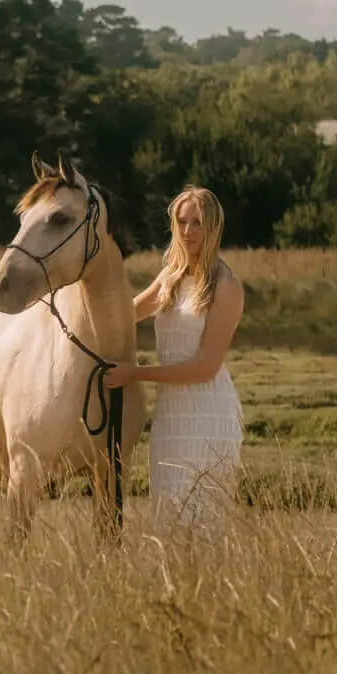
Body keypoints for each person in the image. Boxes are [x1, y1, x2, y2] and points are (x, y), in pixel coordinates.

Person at [105, 186, 245, 538]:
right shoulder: (172, 275)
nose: (188, 231)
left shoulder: (225, 285)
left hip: (207, 412)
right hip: (170, 415)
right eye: (182, 222)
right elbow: (128, 313)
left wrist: (134, 374)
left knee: (202, 521)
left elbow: (204, 367)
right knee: (168, 515)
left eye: (197, 223)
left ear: (213, 227)